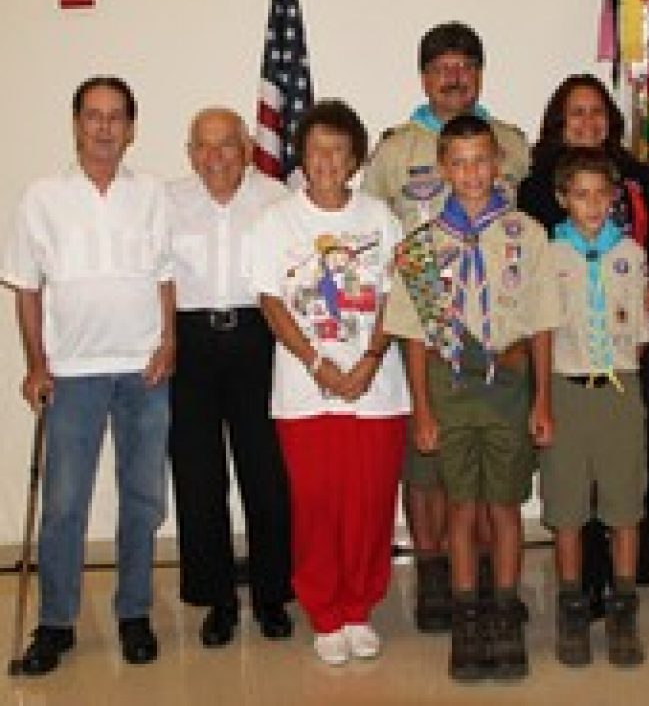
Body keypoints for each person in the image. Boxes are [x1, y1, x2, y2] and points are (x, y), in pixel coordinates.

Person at [1, 76, 173, 674]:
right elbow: (27, 289)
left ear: (131, 127)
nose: (104, 127)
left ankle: (133, 614)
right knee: (65, 504)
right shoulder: (42, 197)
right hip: (73, 373)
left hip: (143, 370)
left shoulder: (151, 193)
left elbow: (165, 276)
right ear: (76, 124)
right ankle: (55, 623)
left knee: (144, 499)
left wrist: (169, 343)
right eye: (93, 116)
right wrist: (35, 365)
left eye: (116, 116)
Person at [363, 21, 530, 631]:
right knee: (428, 462)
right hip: (424, 326)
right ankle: (437, 578)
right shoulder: (394, 150)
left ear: (480, 73)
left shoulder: (511, 143)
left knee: (487, 465)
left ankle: (488, 579)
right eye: (441, 68)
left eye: (465, 66)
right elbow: (372, 233)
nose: (454, 76)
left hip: (497, 333)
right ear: (423, 78)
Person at [384, 114, 558, 681]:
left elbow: (541, 327)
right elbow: (413, 336)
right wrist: (423, 411)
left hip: (508, 389)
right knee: (460, 507)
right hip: (450, 390)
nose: (471, 173)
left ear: (498, 164)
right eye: (458, 163)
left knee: (505, 508)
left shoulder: (525, 237)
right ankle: (466, 619)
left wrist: (542, 402)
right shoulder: (421, 249)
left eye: (481, 160)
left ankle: (504, 613)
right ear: (441, 171)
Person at [250, 99, 410, 666]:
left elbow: (398, 296)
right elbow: (271, 302)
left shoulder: (380, 219)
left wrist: (368, 359)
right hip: (304, 390)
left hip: (378, 388)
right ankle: (324, 611)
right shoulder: (276, 221)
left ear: (355, 160)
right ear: (302, 157)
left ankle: (360, 607)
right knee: (317, 504)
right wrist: (318, 364)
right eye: (317, 149)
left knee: (369, 503)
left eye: (338, 150)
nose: (327, 160)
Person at [517, 73, 649, 613]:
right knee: (572, 473)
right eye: (575, 113)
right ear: (558, 124)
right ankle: (582, 580)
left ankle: (627, 579)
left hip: (625, 345)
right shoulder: (537, 186)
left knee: (627, 462)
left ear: (611, 120)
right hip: (566, 359)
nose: (587, 122)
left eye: (596, 112)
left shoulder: (639, 178)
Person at [167, 107, 293, 647]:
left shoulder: (276, 200)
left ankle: (271, 594)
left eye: (226, 144)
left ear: (246, 148)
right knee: (199, 478)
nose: (214, 156)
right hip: (189, 343)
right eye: (203, 145)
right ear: (190, 152)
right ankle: (216, 599)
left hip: (256, 338)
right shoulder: (168, 202)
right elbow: (157, 276)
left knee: (265, 473)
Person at [542, 148, 649, 668]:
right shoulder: (549, 254)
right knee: (567, 508)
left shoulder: (630, 253)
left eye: (601, 195)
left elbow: (637, 331)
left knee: (624, 505)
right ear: (563, 198)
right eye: (580, 195)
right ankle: (571, 607)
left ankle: (623, 607)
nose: (591, 206)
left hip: (618, 387)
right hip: (567, 388)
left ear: (615, 199)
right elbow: (541, 330)